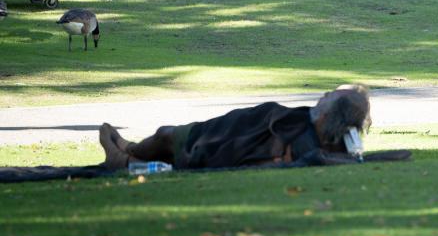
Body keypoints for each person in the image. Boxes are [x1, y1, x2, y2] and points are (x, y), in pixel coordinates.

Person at [98, 84, 373, 170]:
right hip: (231, 129)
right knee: (167, 137)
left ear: (335, 112)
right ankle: (128, 151)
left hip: (225, 144)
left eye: (330, 96)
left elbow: (276, 157)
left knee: (166, 136)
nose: (323, 96)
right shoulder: (312, 125)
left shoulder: (319, 141)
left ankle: (126, 157)